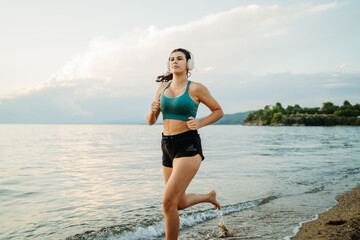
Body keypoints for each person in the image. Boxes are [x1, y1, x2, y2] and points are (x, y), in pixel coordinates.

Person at [146, 48, 224, 240]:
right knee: (178, 203)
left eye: (179, 59)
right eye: (172, 59)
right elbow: (150, 120)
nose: (175, 62)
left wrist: (199, 123)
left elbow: (218, 111)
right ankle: (208, 197)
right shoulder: (162, 88)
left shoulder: (196, 88)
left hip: (188, 146)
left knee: (167, 203)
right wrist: (153, 110)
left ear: (188, 64)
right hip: (167, 145)